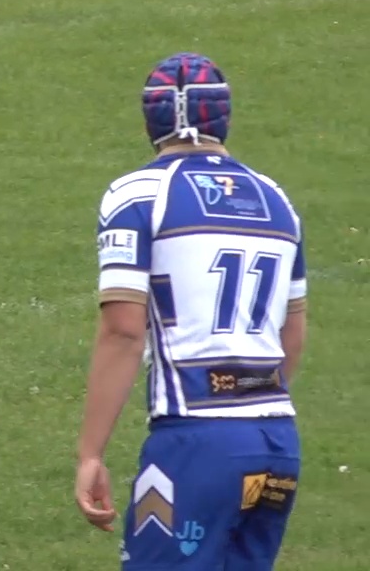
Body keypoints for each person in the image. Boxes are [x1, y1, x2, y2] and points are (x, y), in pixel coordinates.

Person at [75, 53, 306, 569]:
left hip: (195, 444)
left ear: (150, 121)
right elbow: (292, 331)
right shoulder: (275, 200)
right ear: (224, 117)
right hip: (277, 446)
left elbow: (124, 331)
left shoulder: (137, 194)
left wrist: (90, 453)